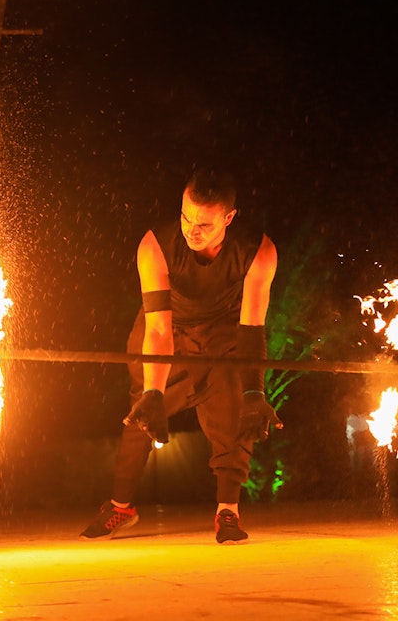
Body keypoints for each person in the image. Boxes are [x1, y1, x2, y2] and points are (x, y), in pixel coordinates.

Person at [80, 168, 282, 544]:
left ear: (229, 218)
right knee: (142, 411)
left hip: (223, 334)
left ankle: (228, 512)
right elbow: (158, 328)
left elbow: (252, 327)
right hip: (165, 327)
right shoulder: (155, 245)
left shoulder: (259, 251)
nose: (192, 229)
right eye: (186, 216)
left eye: (204, 223)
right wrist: (154, 392)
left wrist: (254, 392)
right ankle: (121, 507)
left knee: (234, 410)